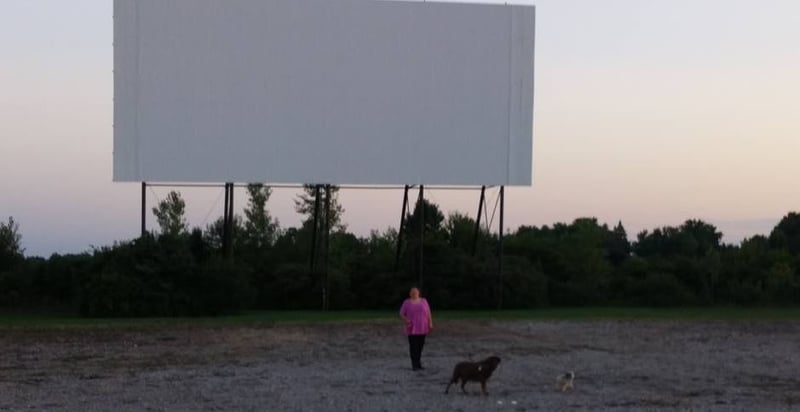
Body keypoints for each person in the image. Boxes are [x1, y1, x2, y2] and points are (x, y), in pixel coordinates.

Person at [399, 287, 433, 371]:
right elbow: (401, 313)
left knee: (420, 346)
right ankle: (414, 364)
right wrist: (406, 319)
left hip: (423, 327)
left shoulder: (424, 301)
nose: (414, 293)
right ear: (410, 294)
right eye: (412, 292)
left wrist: (430, 323)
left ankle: (418, 363)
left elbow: (428, 312)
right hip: (412, 328)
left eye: (416, 292)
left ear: (418, 293)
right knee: (414, 347)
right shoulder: (406, 302)